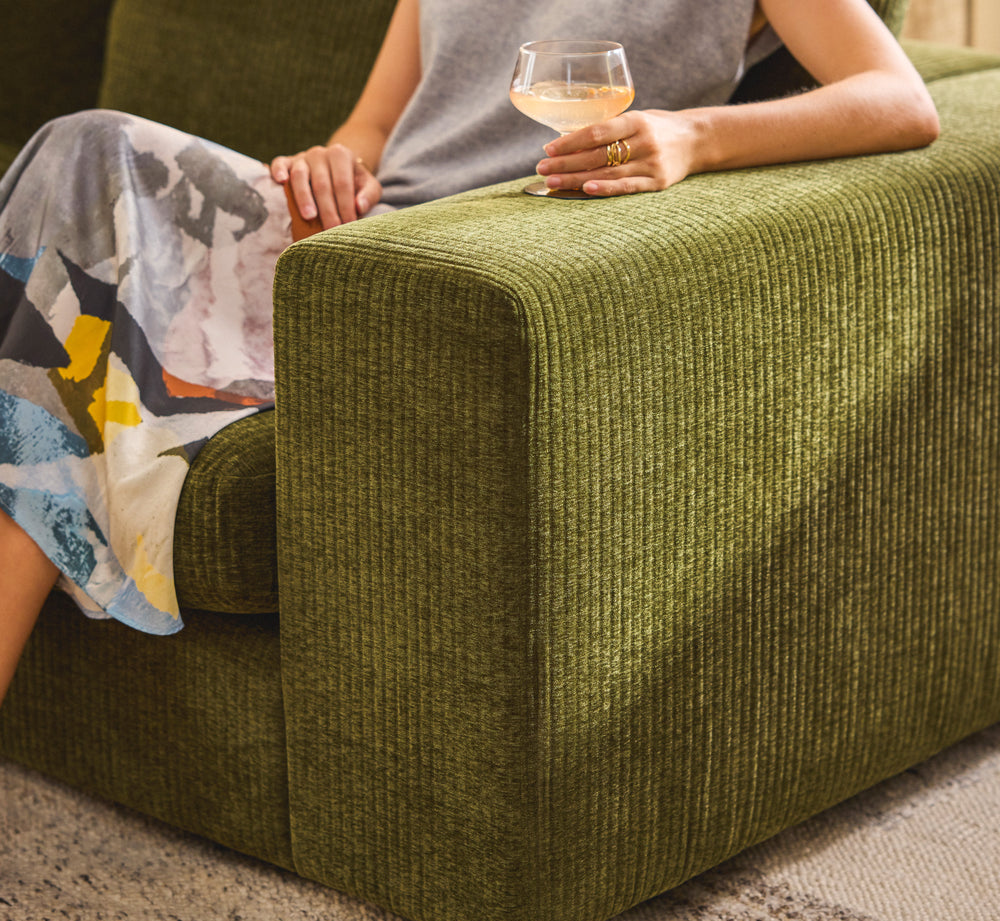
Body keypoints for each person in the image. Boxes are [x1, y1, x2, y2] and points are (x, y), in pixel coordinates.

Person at [0, 0, 938, 706]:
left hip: (460, 268)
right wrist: (333, 166)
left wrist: (692, 136)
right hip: (351, 240)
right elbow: (371, 137)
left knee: (72, 257)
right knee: (80, 165)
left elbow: (898, 100)